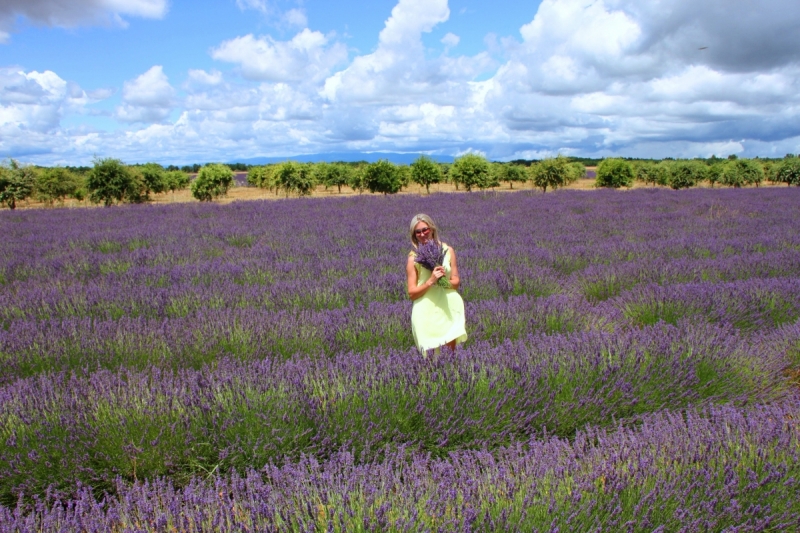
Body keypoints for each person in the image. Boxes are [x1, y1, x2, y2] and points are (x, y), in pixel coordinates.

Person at [406, 213, 467, 354]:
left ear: (432, 229)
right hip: (426, 312)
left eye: (425, 229)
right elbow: (412, 293)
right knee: (430, 361)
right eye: (418, 232)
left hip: (448, 307)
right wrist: (431, 281)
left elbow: (456, 282)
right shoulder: (413, 259)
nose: (422, 234)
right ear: (414, 235)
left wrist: (443, 281)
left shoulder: (448, 251)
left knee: (450, 357)